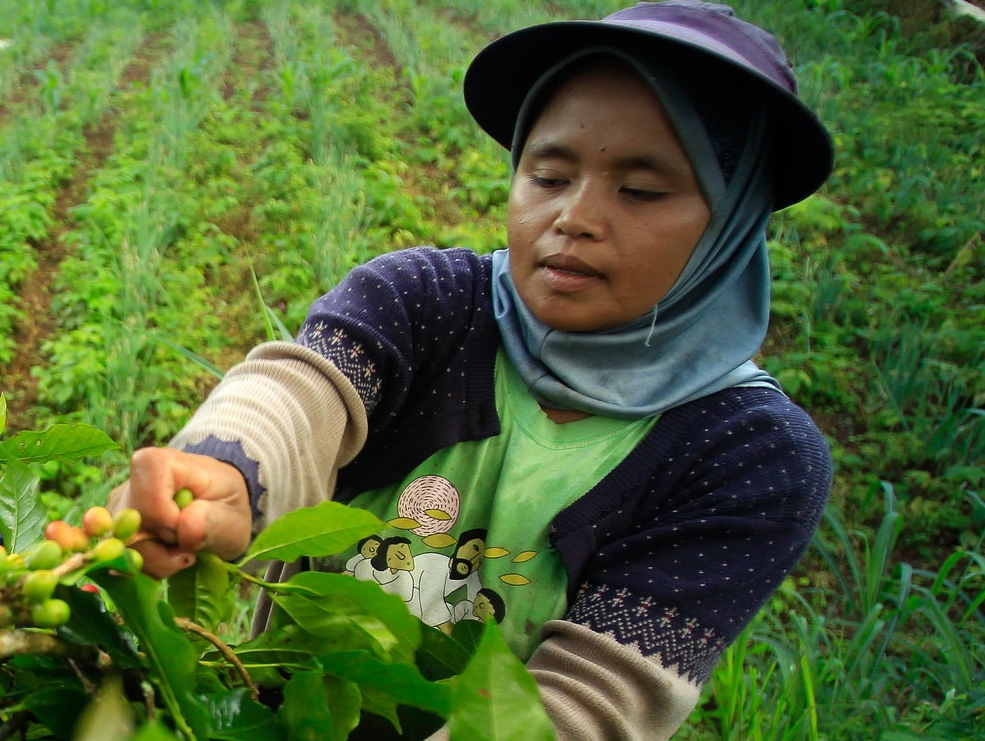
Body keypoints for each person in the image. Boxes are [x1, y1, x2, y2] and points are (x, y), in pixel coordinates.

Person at [108, 3, 833, 738]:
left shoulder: (751, 454)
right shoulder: (426, 304)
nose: (573, 216)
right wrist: (222, 472)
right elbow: (298, 392)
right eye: (547, 174)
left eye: (640, 191)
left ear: (734, 221)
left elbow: (586, 704)